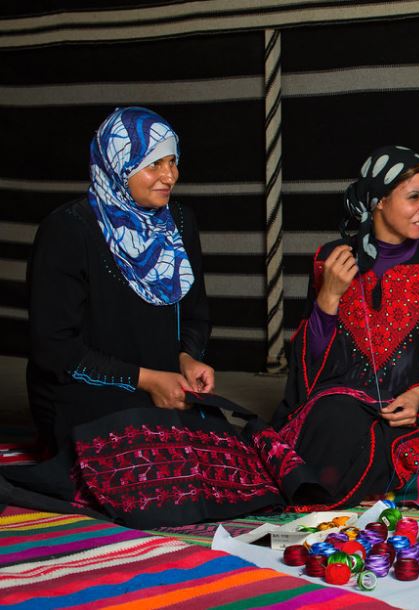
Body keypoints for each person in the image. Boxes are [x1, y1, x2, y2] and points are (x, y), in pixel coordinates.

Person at [5, 107, 299, 528]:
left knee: (238, 468)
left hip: (162, 383)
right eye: (152, 164)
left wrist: (185, 359)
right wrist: (147, 380)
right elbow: (56, 350)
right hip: (84, 390)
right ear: (116, 166)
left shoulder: (178, 222)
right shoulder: (69, 231)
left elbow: (195, 314)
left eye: (173, 160)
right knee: (152, 474)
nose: (170, 175)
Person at [270, 145, 419, 508]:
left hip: (401, 409)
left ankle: (323, 485)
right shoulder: (330, 258)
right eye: (414, 197)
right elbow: (306, 374)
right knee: (336, 419)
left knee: (385, 438)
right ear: (379, 202)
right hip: (336, 405)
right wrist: (329, 296)